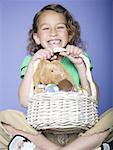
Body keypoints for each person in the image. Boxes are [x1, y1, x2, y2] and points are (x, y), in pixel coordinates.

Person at [0, 4, 113, 150]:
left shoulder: (80, 58)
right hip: (44, 134)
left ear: (70, 34)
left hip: (78, 133)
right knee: (5, 118)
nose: (53, 33)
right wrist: (34, 63)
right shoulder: (32, 61)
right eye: (46, 28)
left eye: (60, 27)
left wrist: (80, 66)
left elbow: (94, 100)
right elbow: (24, 101)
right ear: (37, 38)